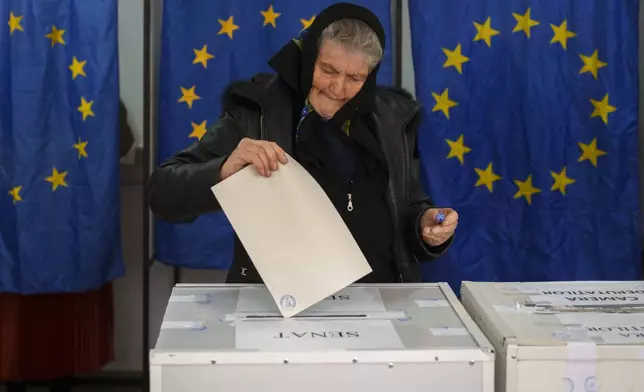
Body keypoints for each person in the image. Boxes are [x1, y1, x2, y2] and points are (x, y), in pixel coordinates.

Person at [147, 2, 459, 284]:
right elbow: (162, 192)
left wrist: (425, 226)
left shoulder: (389, 121)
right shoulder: (257, 113)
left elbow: (406, 204)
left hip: (380, 300)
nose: (337, 88)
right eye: (328, 70)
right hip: (280, 307)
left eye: (354, 78)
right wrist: (222, 173)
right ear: (308, 58)